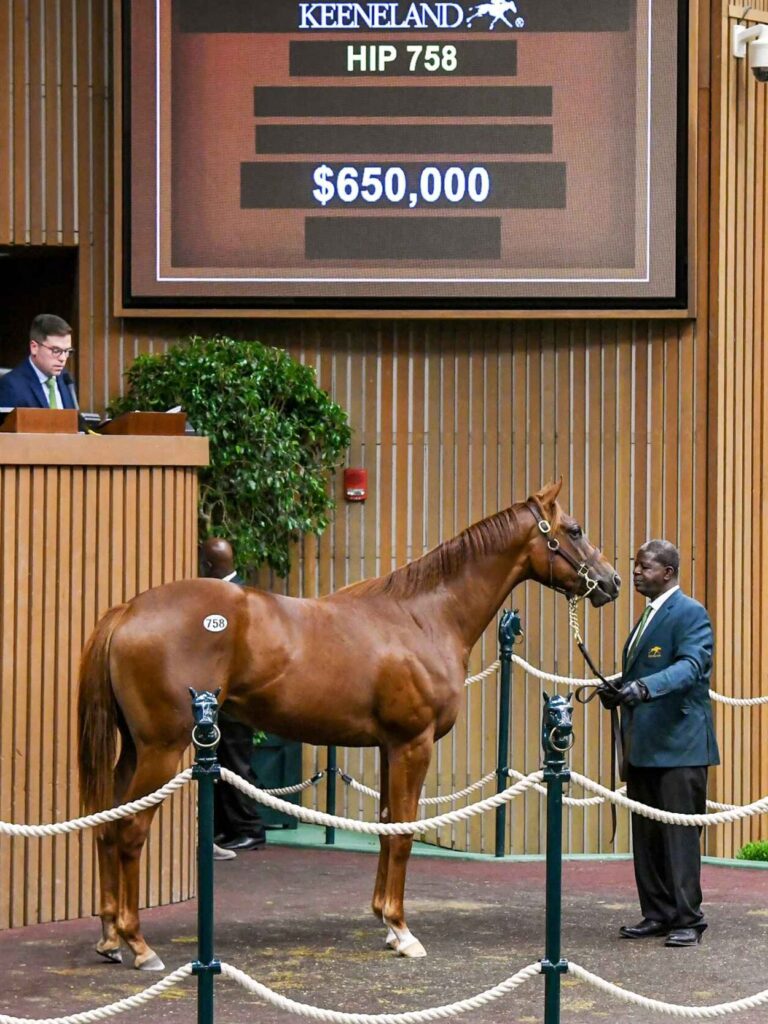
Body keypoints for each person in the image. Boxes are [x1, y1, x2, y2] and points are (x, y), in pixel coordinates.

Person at [601, 540, 719, 947]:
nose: (635, 572)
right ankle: (657, 913)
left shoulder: (690, 613)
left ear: (667, 572)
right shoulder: (647, 617)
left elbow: (690, 667)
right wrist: (619, 688)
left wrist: (644, 688)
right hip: (645, 746)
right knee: (648, 836)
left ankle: (688, 918)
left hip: (680, 747)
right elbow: (648, 668)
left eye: (644, 566)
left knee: (679, 836)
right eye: (634, 565)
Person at [200, 537, 267, 856]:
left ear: (208, 566)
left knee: (237, 764)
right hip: (227, 696)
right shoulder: (238, 592)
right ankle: (233, 827)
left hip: (239, 694)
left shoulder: (237, 597)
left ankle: (248, 829)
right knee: (226, 763)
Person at [0, 314, 78, 410]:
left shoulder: (66, 380)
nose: (63, 358)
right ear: (34, 348)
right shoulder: (11, 386)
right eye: (56, 350)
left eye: (67, 351)